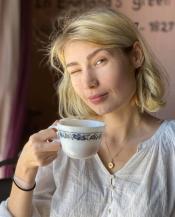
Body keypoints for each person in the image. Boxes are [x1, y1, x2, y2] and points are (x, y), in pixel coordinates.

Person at [0, 7, 175, 217]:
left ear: (135, 56)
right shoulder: (60, 141)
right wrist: (25, 168)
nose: (88, 82)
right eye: (75, 70)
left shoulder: (170, 146)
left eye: (100, 61)